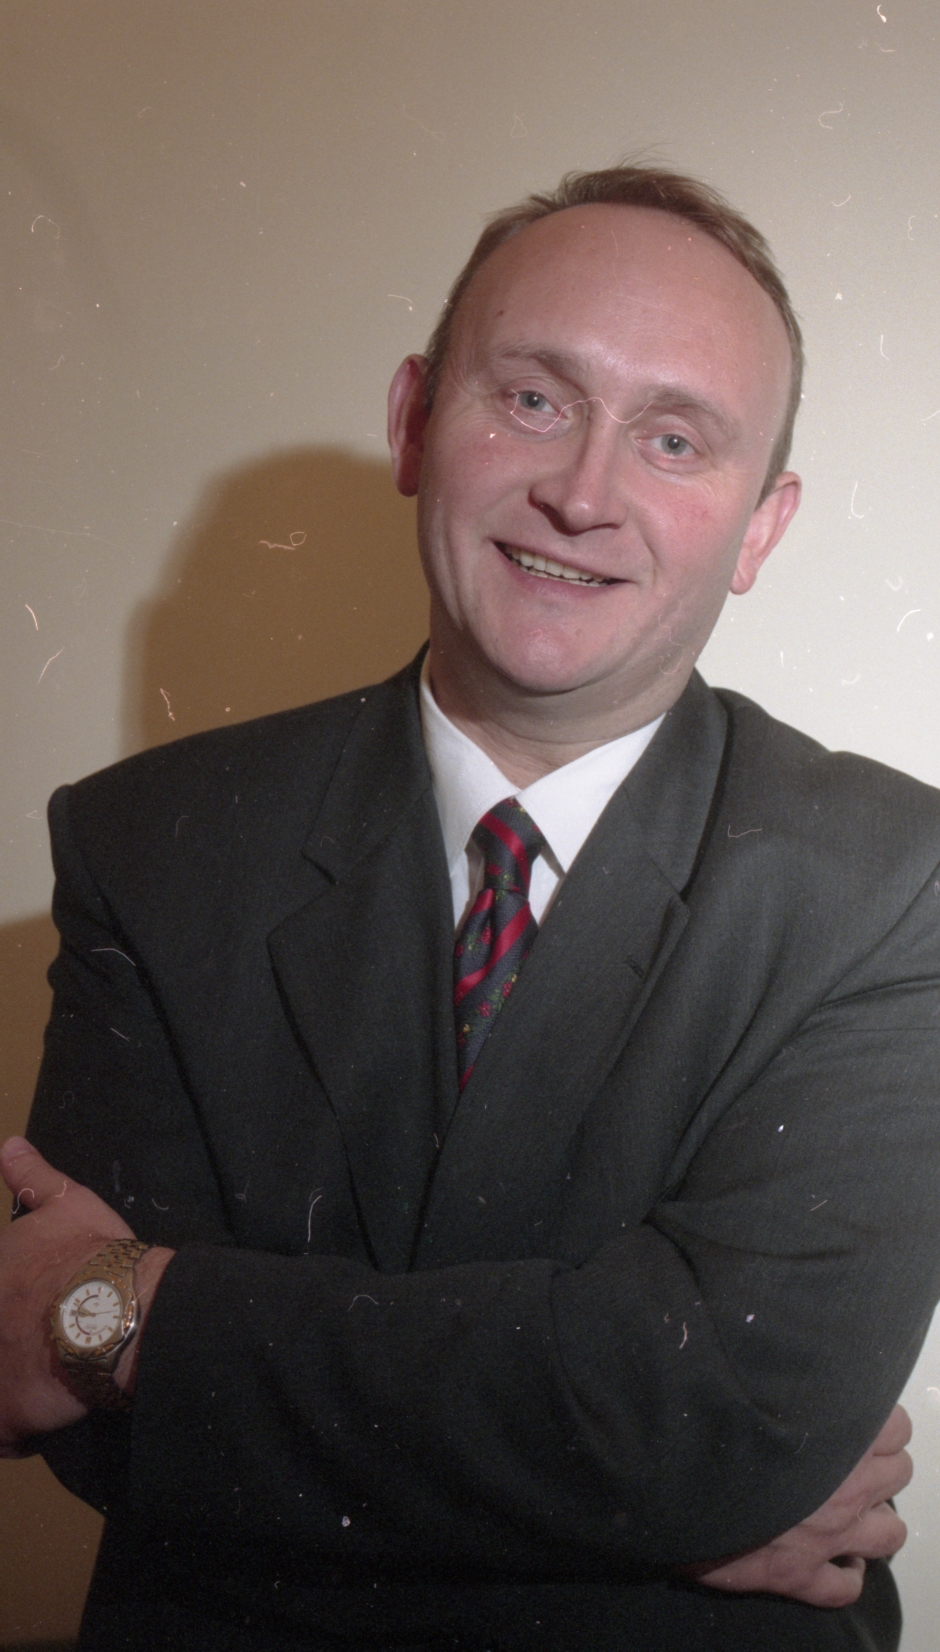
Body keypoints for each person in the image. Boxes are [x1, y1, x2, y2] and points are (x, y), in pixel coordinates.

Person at [1, 164, 939, 1652]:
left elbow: (729, 1415)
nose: (585, 494)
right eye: (536, 400)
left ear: (762, 529)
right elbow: (76, 1417)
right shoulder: (146, 842)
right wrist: (672, 1513)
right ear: (412, 422)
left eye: (675, 439)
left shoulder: (897, 879)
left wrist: (136, 1325)